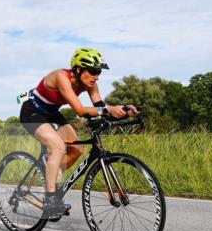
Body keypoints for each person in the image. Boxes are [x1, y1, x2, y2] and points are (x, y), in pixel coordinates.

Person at [19, 48, 136, 218]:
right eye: (93, 71)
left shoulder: (91, 84)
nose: (97, 76)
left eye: (99, 72)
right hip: (32, 113)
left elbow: (99, 107)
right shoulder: (61, 76)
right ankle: (50, 198)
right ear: (79, 69)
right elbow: (80, 110)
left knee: (77, 150)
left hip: (52, 113)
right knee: (58, 147)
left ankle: (49, 175)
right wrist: (108, 109)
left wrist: (124, 110)